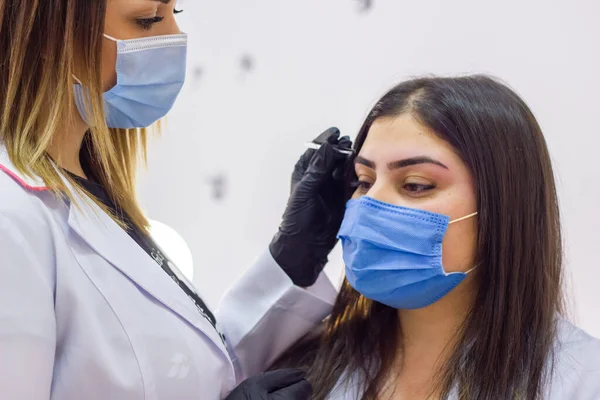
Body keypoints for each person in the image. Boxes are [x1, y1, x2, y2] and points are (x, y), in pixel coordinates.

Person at [0, 1, 352, 399]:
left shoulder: (91, 198)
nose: (174, 38)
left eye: (175, 13)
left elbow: (192, 372)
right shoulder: (12, 218)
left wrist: (292, 258)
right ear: (48, 36)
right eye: (147, 19)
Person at [272, 76, 600, 399]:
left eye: (416, 184)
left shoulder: (584, 381)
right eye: (364, 181)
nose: (370, 204)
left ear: (503, 207)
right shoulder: (302, 371)